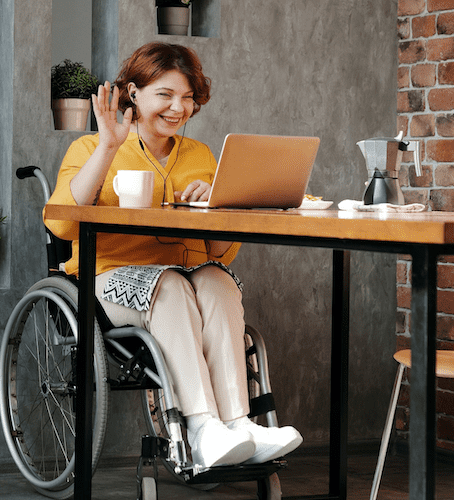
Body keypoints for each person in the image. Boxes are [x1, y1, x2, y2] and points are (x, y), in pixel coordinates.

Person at [43, 42, 302, 468]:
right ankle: (201, 427)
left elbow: (220, 252)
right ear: (134, 93)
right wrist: (108, 147)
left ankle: (238, 425)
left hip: (184, 279)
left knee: (217, 280)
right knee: (173, 284)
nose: (178, 107)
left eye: (187, 97)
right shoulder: (91, 148)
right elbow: (63, 225)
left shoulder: (200, 156)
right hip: (108, 280)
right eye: (165, 94)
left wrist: (218, 207)